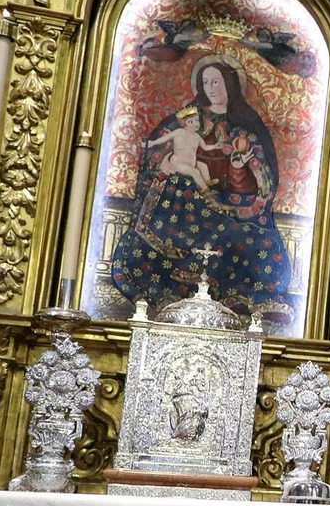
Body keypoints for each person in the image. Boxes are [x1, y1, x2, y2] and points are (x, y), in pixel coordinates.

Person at [109, 55, 295, 320]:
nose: (211, 88)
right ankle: (172, 295)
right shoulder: (189, 120)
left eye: (216, 81)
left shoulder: (245, 128)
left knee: (255, 235)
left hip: (232, 202)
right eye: (206, 82)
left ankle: (246, 299)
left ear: (230, 85)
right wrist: (167, 160)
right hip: (187, 200)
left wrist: (239, 168)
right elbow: (159, 147)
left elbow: (260, 180)